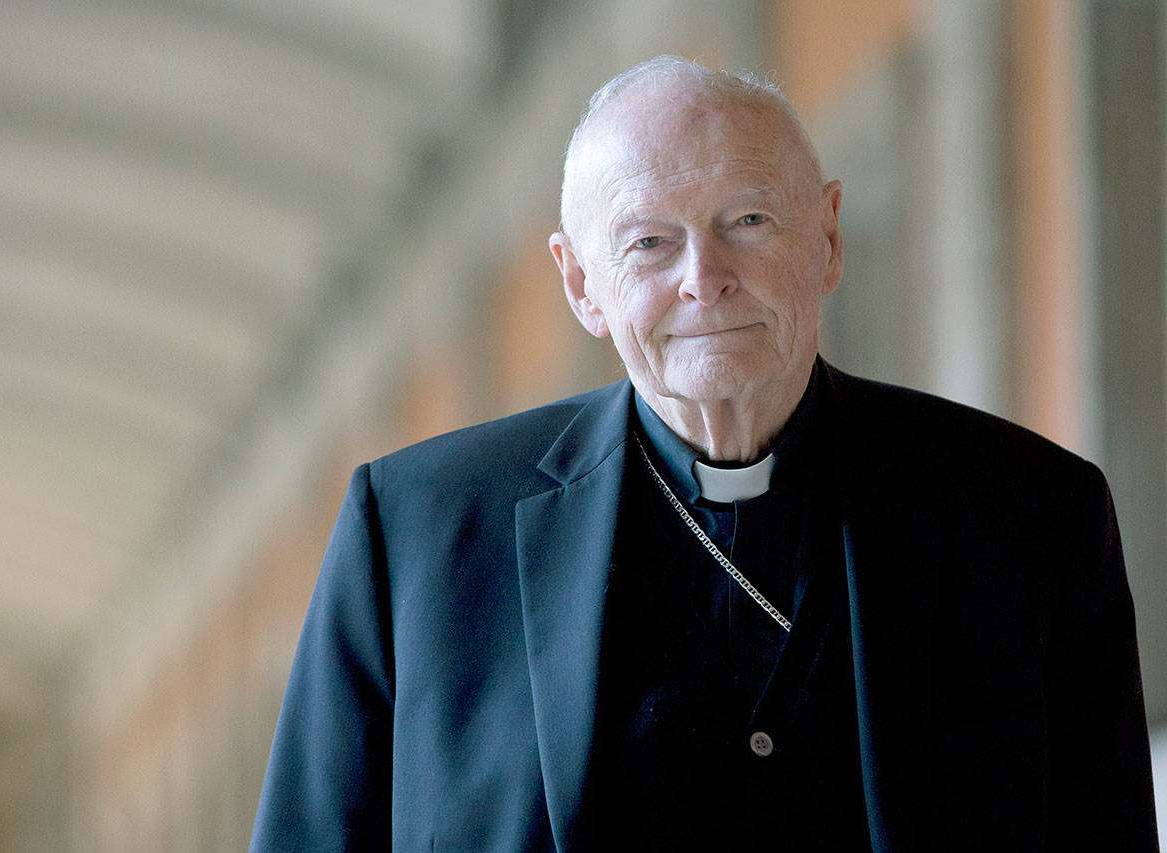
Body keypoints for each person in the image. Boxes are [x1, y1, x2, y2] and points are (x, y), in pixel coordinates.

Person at [251, 56, 1157, 850]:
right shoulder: (414, 537)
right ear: (581, 283)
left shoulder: (1030, 515)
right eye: (649, 242)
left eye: (750, 220)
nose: (704, 277)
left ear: (829, 235)